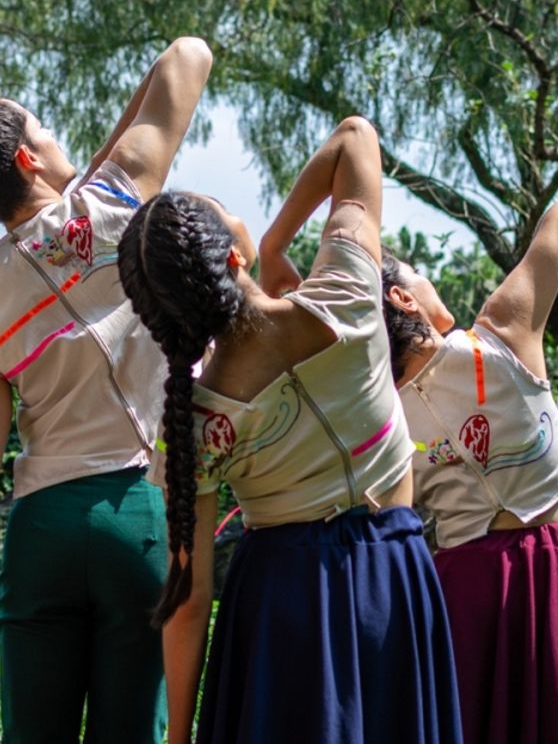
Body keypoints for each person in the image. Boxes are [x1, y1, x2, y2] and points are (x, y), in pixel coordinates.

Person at [125, 117, 462, 744]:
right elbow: (355, 138)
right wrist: (279, 244)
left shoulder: (192, 423)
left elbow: (190, 599)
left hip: (280, 606)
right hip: (393, 580)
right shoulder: (348, 295)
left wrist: (177, 737)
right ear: (232, 256)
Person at [0, 37, 211, 743]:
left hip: (43, 530)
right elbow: (190, 54)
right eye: (45, 131)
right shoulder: (118, 199)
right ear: (29, 159)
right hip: (137, 515)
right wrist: (103, 164)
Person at [380, 193, 558, 743]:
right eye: (418, 275)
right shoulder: (502, 329)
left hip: (463, 582)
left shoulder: (375, 413)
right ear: (405, 298)